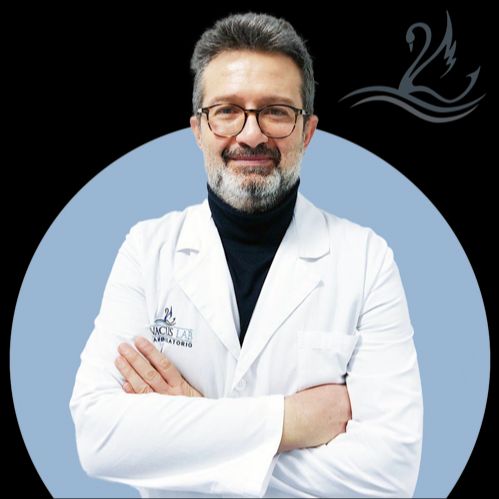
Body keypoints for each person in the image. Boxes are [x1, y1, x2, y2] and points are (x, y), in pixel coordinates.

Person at [69, 12, 423, 498]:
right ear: (198, 129)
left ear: (308, 131)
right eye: (227, 110)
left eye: (276, 111)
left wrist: (188, 428)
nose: (251, 135)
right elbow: (99, 439)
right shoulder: (147, 249)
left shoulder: (366, 260)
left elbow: (390, 475)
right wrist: (290, 421)